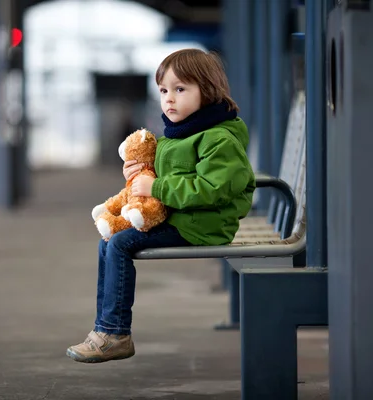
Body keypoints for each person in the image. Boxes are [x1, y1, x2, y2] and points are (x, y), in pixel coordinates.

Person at [66, 48, 256, 363]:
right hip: (182, 217)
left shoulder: (218, 139)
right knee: (109, 242)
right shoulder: (179, 136)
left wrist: (156, 186)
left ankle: (115, 333)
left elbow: (212, 190)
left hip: (203, 225)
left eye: (180, 89)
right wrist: (139, 174)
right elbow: (167, 176)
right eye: (164, 90)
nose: (169, 98)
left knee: (121, 243)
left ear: (207, 91)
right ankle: (105, 330)